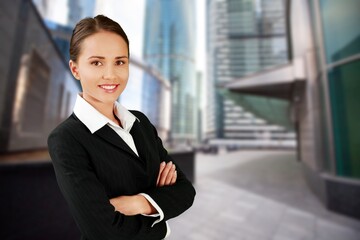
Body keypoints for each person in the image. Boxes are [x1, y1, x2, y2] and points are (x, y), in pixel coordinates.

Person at [47, 15, 196, 240]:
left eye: (120, 62)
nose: (111, 74)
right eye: (96, 62)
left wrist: (140, 202)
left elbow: (186, 192)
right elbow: (103, 232)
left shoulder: (140, 122)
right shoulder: (66, 139)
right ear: (75, 69)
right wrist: (160, 216)